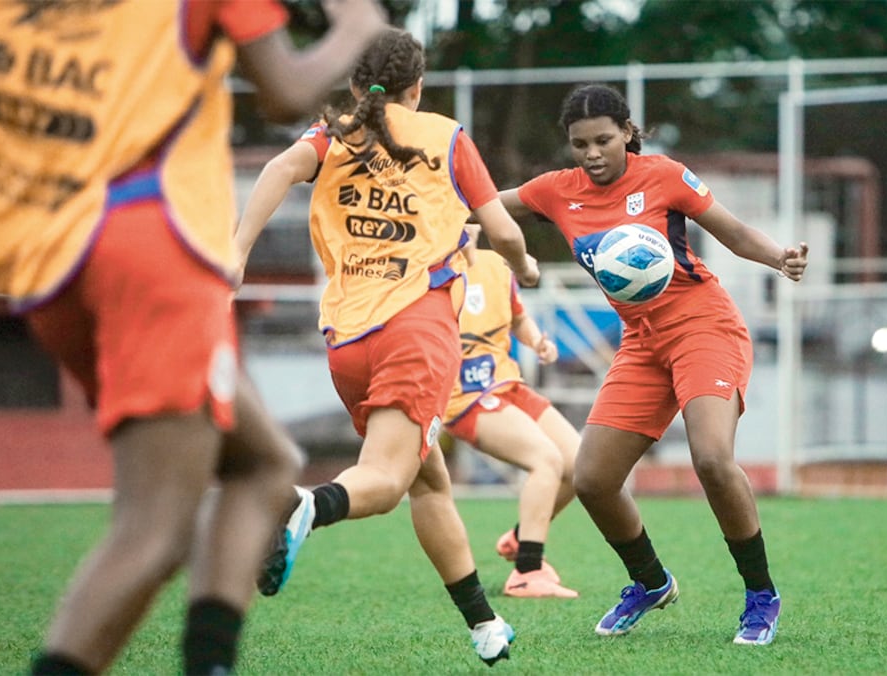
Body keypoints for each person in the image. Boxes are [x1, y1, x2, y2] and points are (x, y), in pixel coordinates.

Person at [0, 1, 388, 673]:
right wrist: (359, 27)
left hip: (44, 251)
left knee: (263, 466)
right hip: (150, 242)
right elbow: (285, 90)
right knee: (155, 528)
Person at [233, 28, 539, 666]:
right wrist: (525, 267)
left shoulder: (337, 133)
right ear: (418, 87)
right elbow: (504, 231)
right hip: (416, 326)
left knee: (430, 483)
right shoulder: (446, 136)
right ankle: (301, 505)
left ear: (353, 83)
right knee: (387, 479)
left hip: (348, 339)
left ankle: (484, 624)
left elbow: (276, 168)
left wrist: (236, 252)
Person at [499, 83, 809, 646]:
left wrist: (778, 256)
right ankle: (650, 582)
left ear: (626, 134)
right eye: (580, 144)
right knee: (592, 479)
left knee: (712, 458)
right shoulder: (555, 192)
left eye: (603, 140)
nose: (592, 153)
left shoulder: (663, 175)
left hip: (704, 326)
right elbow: (485, 205)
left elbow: (735, 234)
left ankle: (761, 596)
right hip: (642, 342)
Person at [444, 225, 581, 599]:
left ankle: (522, 540)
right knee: (546, 460)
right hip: (464, 394)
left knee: (580, 465)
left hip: (509, 384)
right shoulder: (426, 273)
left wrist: (537, 340)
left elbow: (517, 316)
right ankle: (526, 572)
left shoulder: (494, 267)